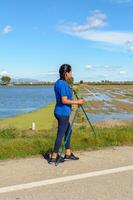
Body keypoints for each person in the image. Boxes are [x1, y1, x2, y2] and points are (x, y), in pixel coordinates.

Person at [48, 64, 84, 164]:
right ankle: (54, 157)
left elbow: (63, 93)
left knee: (69, 131)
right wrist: (78, 102)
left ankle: (68, 154)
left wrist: (70, 89)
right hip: (63, 112)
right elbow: (64, 100)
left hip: (59, 111)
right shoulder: (63, 84)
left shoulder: (59, 83)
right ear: (66, 73)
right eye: (70, 72)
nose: (72, 73)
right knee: (60, 134)